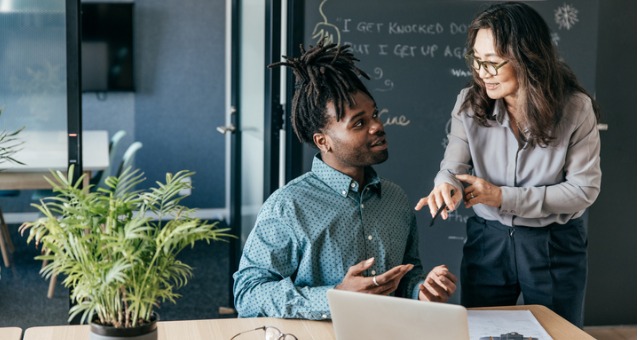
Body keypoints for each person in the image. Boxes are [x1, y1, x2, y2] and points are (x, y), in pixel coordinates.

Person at [233, 41, 457, 320]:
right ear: (323, 141)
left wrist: (421, 290)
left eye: (374, 114)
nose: (377, 126)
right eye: (359, 123)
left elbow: (406, 274)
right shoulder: (288, 206)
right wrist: (335, 297)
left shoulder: (395, 199)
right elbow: (248, 294)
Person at [414, 2, 600, 328]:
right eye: (476, 60)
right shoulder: (468, 104)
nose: (482, 73)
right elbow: (453, 166)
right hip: (488, 242)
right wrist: (445, 184)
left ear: (528, 58)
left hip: (553, 244)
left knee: (558, 334)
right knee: (482, 331)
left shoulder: (576, 107)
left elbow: (583, 191)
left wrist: (502, 197)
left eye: (493, 63)